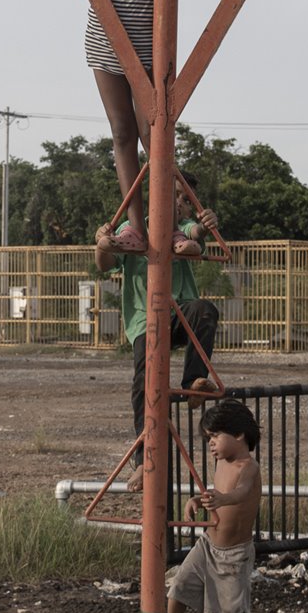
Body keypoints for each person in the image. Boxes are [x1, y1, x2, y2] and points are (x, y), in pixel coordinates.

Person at [51, 0, 230, 252]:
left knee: (155, 136)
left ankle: (166, 225)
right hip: (105, 38)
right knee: (121, 133)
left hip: (147, 46)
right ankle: (134, 226)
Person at [95, 177, 221, 463]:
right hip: (146, 318)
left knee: (205, 310)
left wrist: (207, 225)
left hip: (180, 313)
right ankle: (144, 460)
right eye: (174, 194)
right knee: (145, 380)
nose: (179, 202)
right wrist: (103, 243)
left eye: (186, 199)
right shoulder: (135, 229)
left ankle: (194, 383)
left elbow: (197, 233)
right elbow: (104, 265)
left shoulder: (183, 230)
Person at [167, 399, 263, 613]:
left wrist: (222, 498)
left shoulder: (248, 466)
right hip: (208, 544)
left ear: (239, 435)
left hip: (234, 553)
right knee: (178, 588)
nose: (211, 444)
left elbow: (241, 492)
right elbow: (217, 491)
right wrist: (199, 499)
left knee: (236, 611)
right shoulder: (222, 461)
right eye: (208, 438)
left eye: (214, 437)